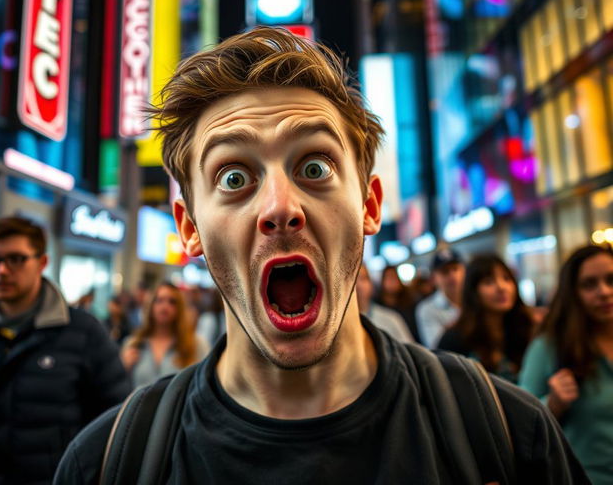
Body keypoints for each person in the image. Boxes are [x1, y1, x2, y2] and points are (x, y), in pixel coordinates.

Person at [55, 27, 586, 483]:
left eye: (315, 168)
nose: (280, 208)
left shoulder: (508, 436)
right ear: (190, 229)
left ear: (369, 205)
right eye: (234, 177)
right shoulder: (105, 466)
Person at [0, 215, 130, 484]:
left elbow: (116, 420)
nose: (1, 270)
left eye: (16, 259)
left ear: (42, 263)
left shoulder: (83, 332)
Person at [519, 244, 613, 484]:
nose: (604, 291)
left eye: (611, 280)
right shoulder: (549, 347)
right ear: (572, 292)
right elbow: (519, 424)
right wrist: (552, 404)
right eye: (589, 284)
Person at [437, 253, 535, 382]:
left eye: (506, 278)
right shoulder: (455, 339)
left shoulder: (527, 329)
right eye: (488, 282)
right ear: (473, 291)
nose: (501, 287)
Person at [121, 281, 210, 389]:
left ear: (179, 308)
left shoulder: (196, 344)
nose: (165, 306)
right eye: (159, 300)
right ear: (150, 305)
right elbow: (119, 387)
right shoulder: (133, 343)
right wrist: (123, 367)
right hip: (140, 405)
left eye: (172, 302)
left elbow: (206, 385)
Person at [415, 247, 465, 348]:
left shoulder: (477, 299)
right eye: (445, 272)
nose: (452, 275)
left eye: (455, 269)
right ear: (434, 278)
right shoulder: (426, 309)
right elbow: (437, 347)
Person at [356, 262, 413, 343]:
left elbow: (408, 351)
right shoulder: (335, 325)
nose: (358, 285)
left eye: (363, 278)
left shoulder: (391, 319)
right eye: (352, 280)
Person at [376, 264, 420, 340]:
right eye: (388, 278)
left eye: (394, 277)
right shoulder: (378, 306)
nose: (392, 282)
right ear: (382, 281)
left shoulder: (410, 301)